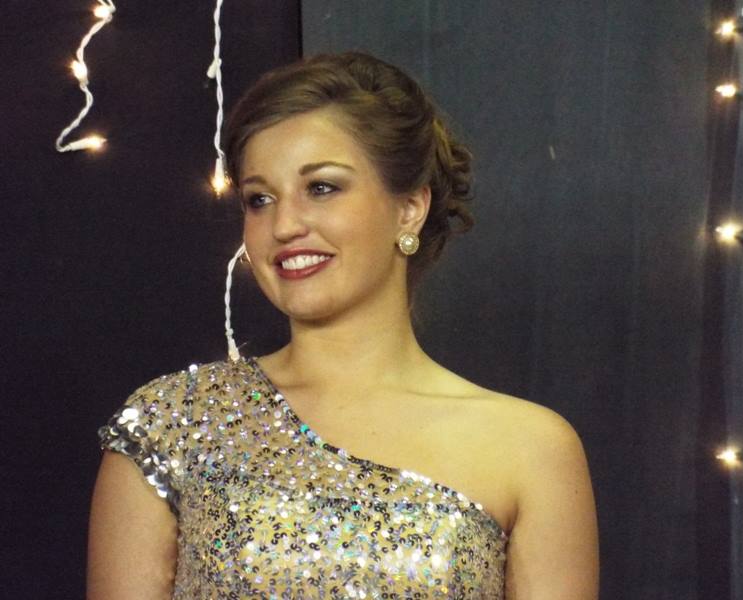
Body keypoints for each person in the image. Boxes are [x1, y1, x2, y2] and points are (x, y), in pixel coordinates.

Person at [87, 51, 598, 599]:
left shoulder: (529, 449)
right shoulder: (173, 424)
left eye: (322, 188)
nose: (284, 225)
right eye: (260, 199)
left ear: (410, 208)